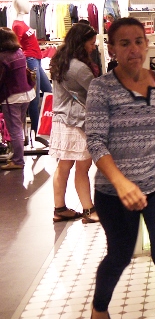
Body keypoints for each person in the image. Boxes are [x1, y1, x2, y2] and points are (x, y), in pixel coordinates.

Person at [85, 17, 155, 319]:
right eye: (124, 43)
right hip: (114, 192)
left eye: (138, 41)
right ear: (112, 49)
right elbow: (95, 142)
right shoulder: (101, 88)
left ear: (146, 45)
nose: (133, 49)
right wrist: (121, 183)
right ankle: (99, 307)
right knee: (119, 254)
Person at [49, 23, 102, 223]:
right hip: (76, 123)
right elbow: (96, 92)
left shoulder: (60, 60)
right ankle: (89, 210)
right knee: (83, 167)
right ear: (81, 42)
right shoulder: (79, 67)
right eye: (91, 43)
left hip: (62, 121)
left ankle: (59, 208)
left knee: (64, 166)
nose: (93, 47)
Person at [11, 0, 53, 142]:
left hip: (37, 59)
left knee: (49, 91)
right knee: (34, 96)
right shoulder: (17, 25)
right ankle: (36, 131)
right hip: (30, 60)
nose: (29, 5)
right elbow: (15, 46)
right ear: (21, 6)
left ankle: (46, 126)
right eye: (27, 3)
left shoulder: (22, 23)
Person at [0, 27, 35, 170]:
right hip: (26, 93)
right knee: (19, 127)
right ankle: (17, 156)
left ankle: (18, 160)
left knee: (14, 130)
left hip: (12, 96)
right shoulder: (19, 52)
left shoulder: (3, 57)